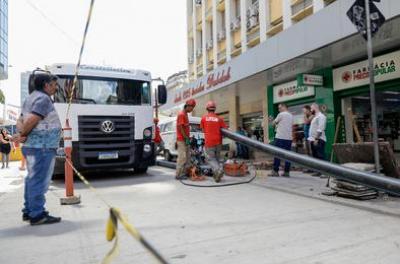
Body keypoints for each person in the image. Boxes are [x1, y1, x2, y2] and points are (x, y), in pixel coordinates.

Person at [14, 73, 62, 225]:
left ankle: (29, 210)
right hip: (42, 147)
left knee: (31, 179)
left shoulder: (30, 97)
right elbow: (32, 120)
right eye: (54, 84)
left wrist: (21, 134)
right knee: (39, 180)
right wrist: (23, 133)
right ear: (46, 85)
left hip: (33, 147)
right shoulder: (43, 99)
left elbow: (20, 120)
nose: (56, 87)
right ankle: (37, 214)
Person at [200, 101, 227, 182]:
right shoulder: (219, 119)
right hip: (218, 142)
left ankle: (219, 170)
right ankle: (217, 177)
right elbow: (225, 131)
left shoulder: (204, 118)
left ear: (207, 109)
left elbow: (202, 130)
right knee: (216, 159)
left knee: (211, 159)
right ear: (214, 109)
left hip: (209, 142)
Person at [269, 103, 294, 177]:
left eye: (279, 108)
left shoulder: (281, 114)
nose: (278, 109)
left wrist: (271, 120)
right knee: (287, 155)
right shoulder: (291, 115)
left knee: (277, 154)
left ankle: (275, 171)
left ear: (284, 107)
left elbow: (273, 124)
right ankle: (286, 172)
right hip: (289, 138)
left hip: (280, 137)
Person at [175, 99, 196, 180]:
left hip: (185, 139)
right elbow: (180, 127)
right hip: (181, 139)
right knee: (182, 157)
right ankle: (178, 174)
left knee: (188, 157)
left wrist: (188, 139)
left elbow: (185, 127)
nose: (192, 109)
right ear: (188, 106)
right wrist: (186, 138)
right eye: (192, 107)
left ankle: (185, 172)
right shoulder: (181, 114)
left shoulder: (186, 114)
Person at [308, 103, 327, 177]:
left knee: (321, 156)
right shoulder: (315, 117)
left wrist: (316, 139)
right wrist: (311, 139)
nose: (310, 110)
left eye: (311, 108)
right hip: (313, 140)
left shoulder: (321, 116)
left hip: (319, 139)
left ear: (315, 108)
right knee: (316, 157)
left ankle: (325, 173)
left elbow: (320, 128)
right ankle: (318, 171)